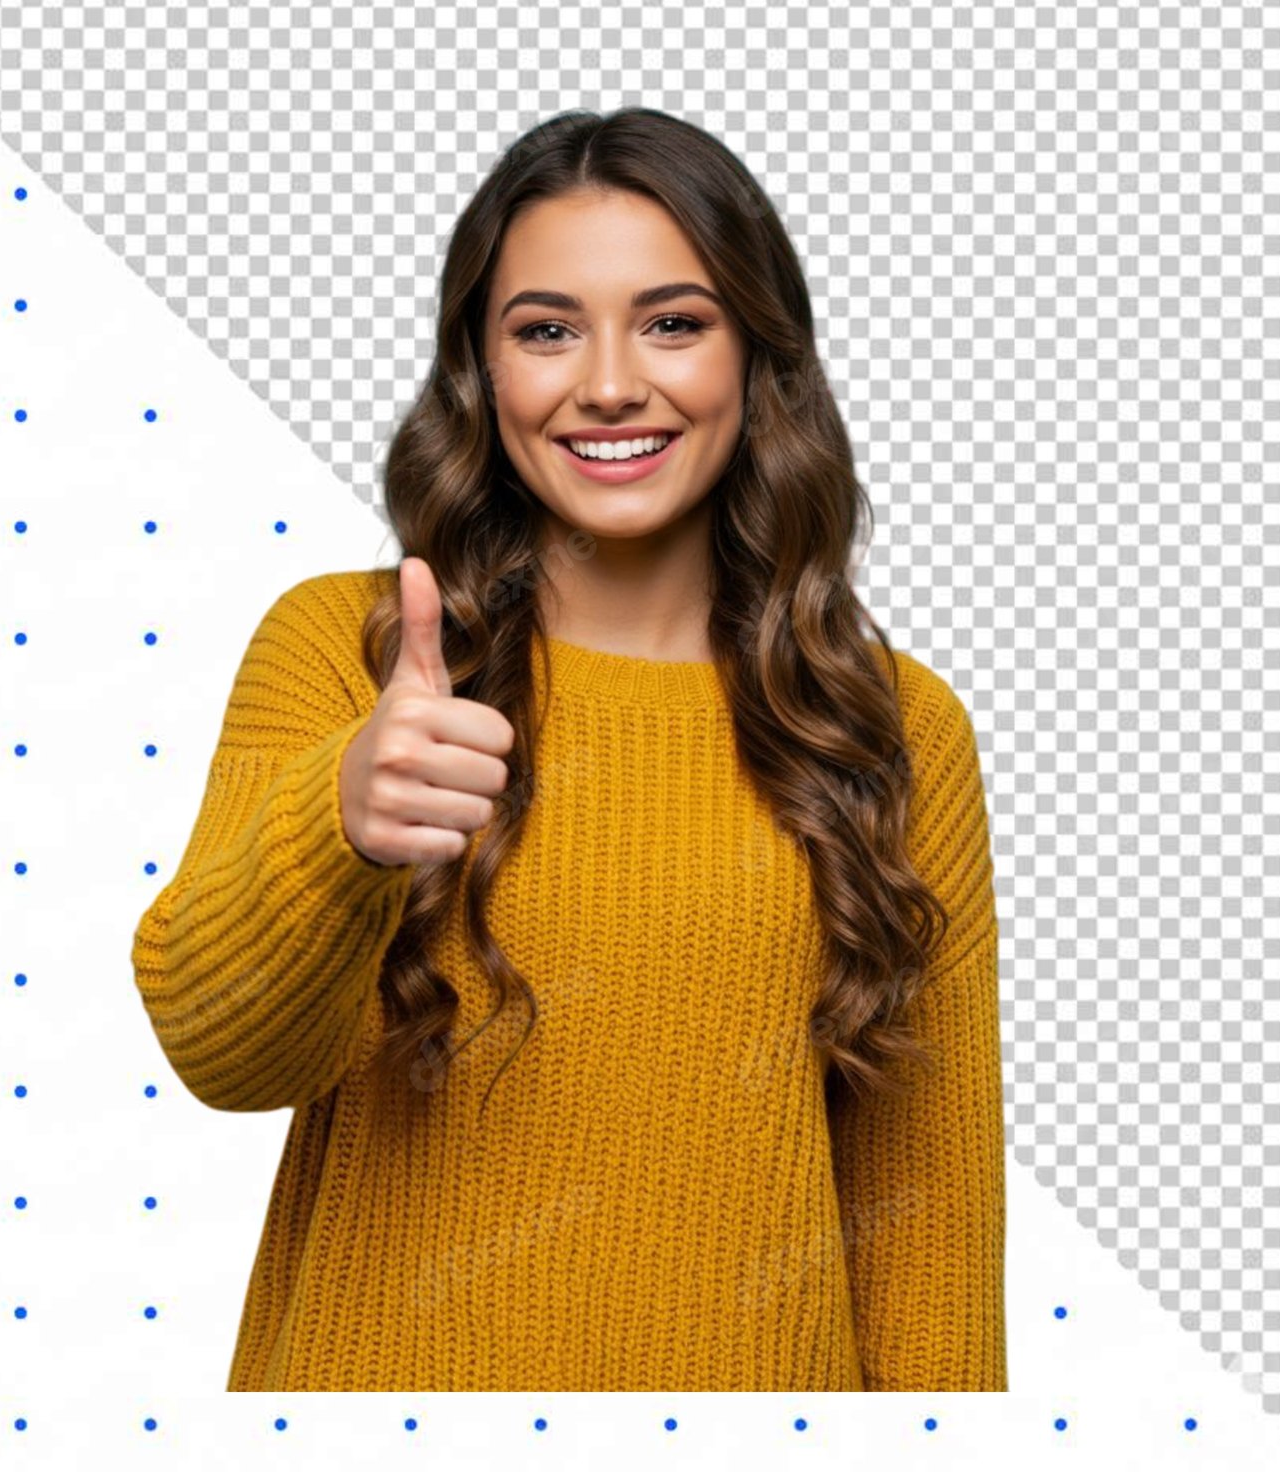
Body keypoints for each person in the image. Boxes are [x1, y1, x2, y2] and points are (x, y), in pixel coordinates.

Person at [131, 107, 1008, 1392]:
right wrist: (341, 826)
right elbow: (222, 1056)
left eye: (673, 323)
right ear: (481, 371)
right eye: (546, 330)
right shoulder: (344, 655)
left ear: (758, 355)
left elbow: (926, 1224)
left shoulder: (885, 723)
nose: (606, 383)